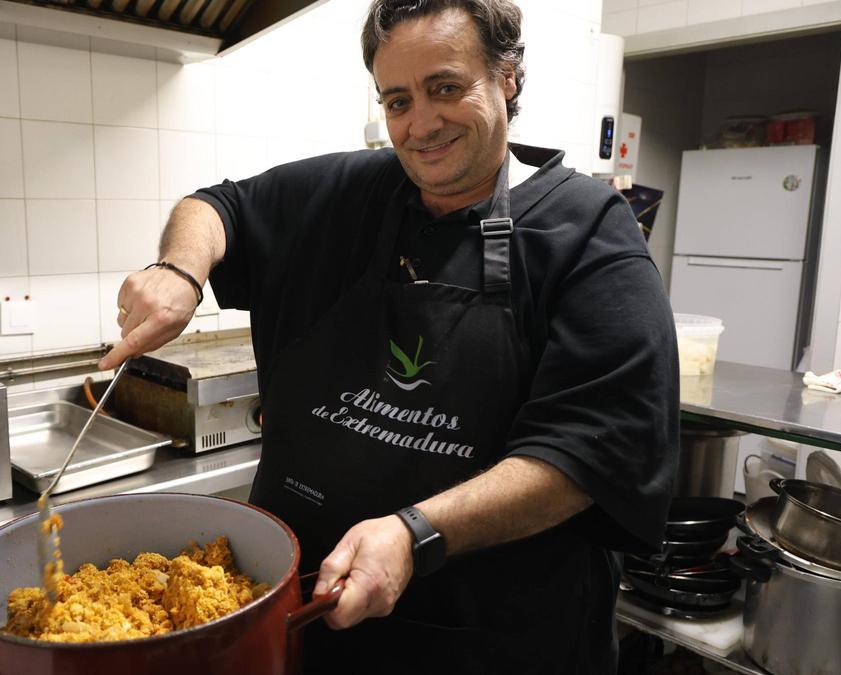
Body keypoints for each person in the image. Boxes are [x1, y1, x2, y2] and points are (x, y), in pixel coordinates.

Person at [100, 0, 678, 671]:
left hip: (491, 643)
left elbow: (588, 454)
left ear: (508, 77)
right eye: (398, 100)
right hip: (311, 624)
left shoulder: (589, 235)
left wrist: (416, 533)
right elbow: (216, 205)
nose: (422, 124)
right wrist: (179, 269)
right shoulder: (352, 192)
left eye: (445, 88)